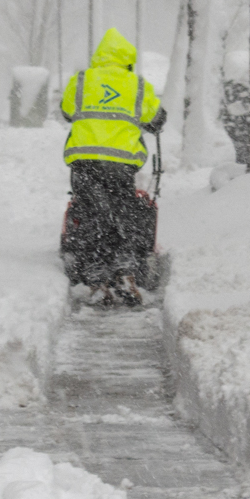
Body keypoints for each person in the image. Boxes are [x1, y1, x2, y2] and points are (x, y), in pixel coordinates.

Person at [59, 28, 164, 305]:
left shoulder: (82, 80)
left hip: (84, 161)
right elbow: (155, 118)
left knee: (88, 207)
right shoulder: (137, 84)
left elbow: (68, 110)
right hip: (120, 164)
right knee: (121, 208)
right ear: (127, 60)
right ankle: (125, 262)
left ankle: (94, 268)